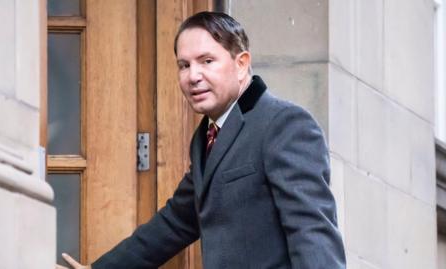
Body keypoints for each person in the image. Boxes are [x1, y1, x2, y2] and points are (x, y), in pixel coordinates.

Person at [57, 11, 346, 269]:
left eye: (207, 61)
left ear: (242, 63)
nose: (193, 76)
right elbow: (175, 222)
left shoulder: (284, 124)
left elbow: (312, 231)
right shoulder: (207, 137)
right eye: (184, 65)